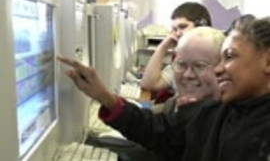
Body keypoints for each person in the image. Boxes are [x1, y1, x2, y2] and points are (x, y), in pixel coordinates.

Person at [58, 18, 270, 161]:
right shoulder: (217, 112)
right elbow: (158, 131)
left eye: (230, 57)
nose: (219, 69)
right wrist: (104, 97)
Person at [141, 2, 212, 93]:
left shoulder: (216, 58)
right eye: (175, 29)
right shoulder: (181, 59)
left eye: (183, 27)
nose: (177, 33)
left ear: (201, 26)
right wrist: (163, 47)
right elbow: (149, 84)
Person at [150, 27, 224, 114]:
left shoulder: (230, 121)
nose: (187, 75)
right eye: (181, 64)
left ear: (221, 69)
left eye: (199, 66)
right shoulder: (173, 107)